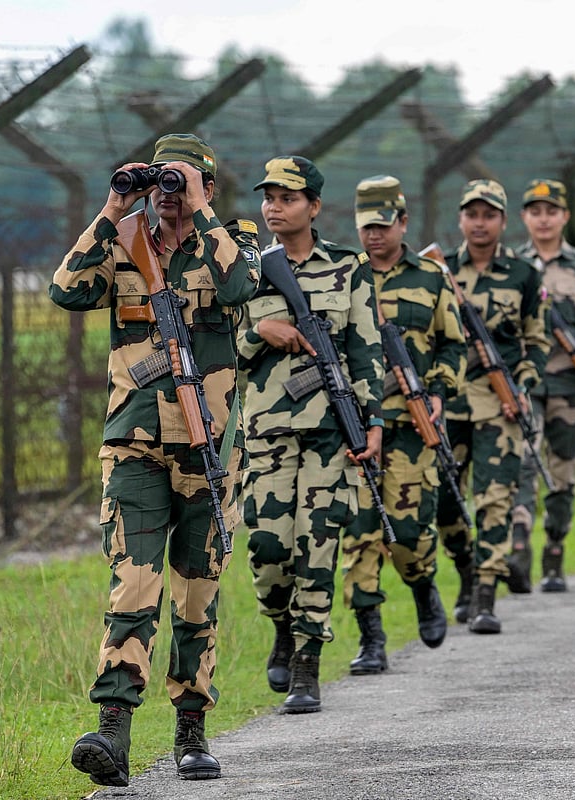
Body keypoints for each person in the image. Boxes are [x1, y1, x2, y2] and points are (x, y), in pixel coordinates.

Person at [49, 133, 261, 786]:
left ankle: (191, 730)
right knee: (133, 588)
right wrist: (114, 208)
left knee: (196, 597)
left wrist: (199, 209)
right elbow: (67, 291)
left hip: (209, 454)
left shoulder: (232, 242)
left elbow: (239, 287)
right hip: (135, 446)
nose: (168, 194)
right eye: (163, 181)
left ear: (206, 184)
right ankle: (113, 731)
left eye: (185, 180)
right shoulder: (123, 240)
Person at [238, 155, 384, 712]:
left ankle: (307, 663)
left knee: (317, 544)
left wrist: (372, 422)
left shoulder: (349, 269)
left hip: (331, 430)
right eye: (268, 197)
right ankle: (280, 622)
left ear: (315, 207)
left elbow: (367, 350)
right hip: (268, 430)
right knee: (269, 548)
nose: (274, 207)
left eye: (288, 198)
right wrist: (260, 329)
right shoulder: (249, 273)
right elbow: (216, 349)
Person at [341, 175, 465, 674]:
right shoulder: (344, 275)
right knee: (360, 533)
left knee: (409, 534)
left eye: (383, 225)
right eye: (366, 226)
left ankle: (422, 585)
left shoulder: (432, 278)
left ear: (403, 222)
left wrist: (437, 389)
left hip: (413, 426)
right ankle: (371, 638)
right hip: (356, 426)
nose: (373, 235)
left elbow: (454, 344)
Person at [436, 179, 548, 634]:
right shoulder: (438, 270)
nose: (479, 223)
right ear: (461, 219)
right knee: (444, 502)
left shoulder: (523, 275)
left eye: (489, 215)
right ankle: (465, 568)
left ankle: (485, 596)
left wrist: (522, 386)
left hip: (499, 406)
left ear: (502, 221)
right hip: (448, 404)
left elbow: (536, 343)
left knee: (496, 501)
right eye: (472, 214)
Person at [509, 179, 575, 593]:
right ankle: (519, 549)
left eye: (550, 211)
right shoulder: (512, 265)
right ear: (524, 218)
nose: (543, 219)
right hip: (527, 380)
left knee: (563, 472)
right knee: (523, 461)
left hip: (571, 387)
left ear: (564, 217)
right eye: (535, 212)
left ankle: (554, 550)